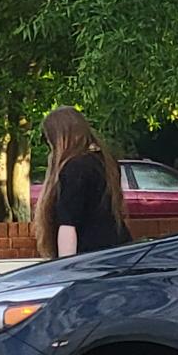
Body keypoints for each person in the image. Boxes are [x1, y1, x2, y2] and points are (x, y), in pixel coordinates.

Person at [33, 106, 131, 259]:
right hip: (117, 249)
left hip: (90, 257)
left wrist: (66, 267)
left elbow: (68, 223)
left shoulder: (75, 167)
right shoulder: (106, 161)